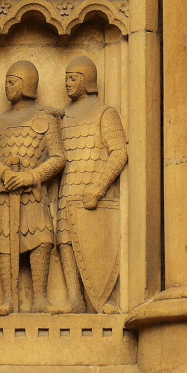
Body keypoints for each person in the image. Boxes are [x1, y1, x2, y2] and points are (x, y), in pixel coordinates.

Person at [0, 61, 65, 315]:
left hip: (33, 193)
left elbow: (58, 158)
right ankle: (8, 298)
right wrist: (4, 172)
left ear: (27, 84)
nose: (7, 87)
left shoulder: (45, 120)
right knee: (4, 242)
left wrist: (32, 176)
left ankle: (40, 298)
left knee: (41, 239)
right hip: (2, 194)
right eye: (6, 82)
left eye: (12, 82)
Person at [58, 56, 127, 313]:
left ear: (87, 80)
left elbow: (119, 153)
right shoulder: (62, 116)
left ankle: (101, 299)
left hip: (94, 191)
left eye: (73, 78)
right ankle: (75, 299)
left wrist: (98, 188)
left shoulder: (104, 113)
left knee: (95, 242)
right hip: (67, 189)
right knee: (65, 240)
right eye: (66, 78)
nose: (67, 83)